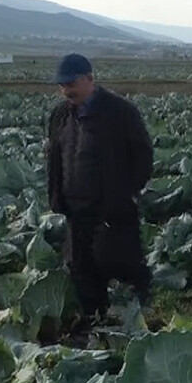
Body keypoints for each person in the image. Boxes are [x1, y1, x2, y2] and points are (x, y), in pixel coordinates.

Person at [45, 53, 154, 330]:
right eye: (62, 86)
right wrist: (56, 196)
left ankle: (137, 319)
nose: (66, 90)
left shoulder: (120, 112)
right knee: (80, 266)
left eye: (71, 83)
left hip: (111, 208)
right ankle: (94, 320)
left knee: (119, 261)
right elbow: (54, 158)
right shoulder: (60, 115)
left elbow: (143, 155)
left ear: (90, 79)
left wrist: (128, 193)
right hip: (74, 207)